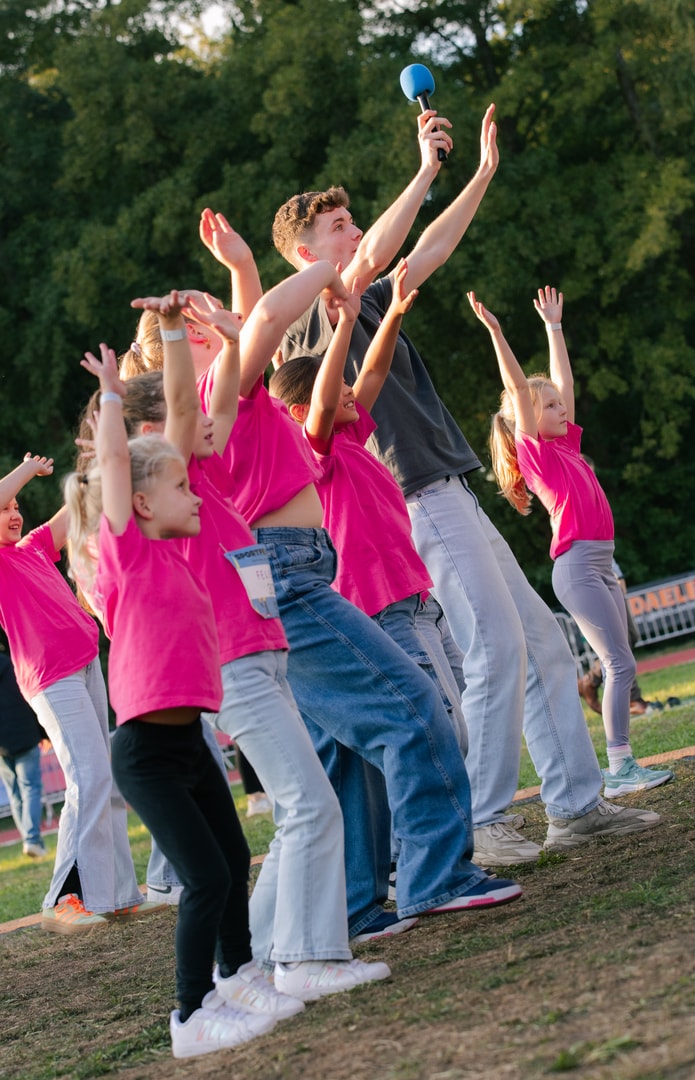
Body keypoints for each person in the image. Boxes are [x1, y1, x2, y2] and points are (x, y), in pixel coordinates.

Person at [274, 104, 661, 861]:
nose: (353, 230)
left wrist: (478, 174)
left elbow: (426, 245)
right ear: (302, 254)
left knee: (543, 639)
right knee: (492, 647)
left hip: (447, 484)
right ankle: (482, 818)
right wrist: (422, 168)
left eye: (354, 220)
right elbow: (372, 258)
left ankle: (576, 804)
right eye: (338, 224)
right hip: (414, 494)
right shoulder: (309, 322)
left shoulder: (369, 298)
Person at [191, 222, 523, 935]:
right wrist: (322, 276)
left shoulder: (250, 414)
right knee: (412, 708)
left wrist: (258, 279)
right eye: (196, 332)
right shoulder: (230, 401)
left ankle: (355, 904)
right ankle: (436, 877)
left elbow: (284, 337)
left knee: (342, 753)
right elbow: (271, 321)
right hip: (287, 572)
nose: (222, 327)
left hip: (291, 569)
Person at [122, 282, 391, 1000]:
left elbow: (211, 404)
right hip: (238, 663)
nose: (217, 417)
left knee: (312, 804)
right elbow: (186, 408)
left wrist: (232, 335)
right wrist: (177, 332)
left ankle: (288, 952)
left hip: (261, 653)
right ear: (152, 440)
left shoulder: (205, 472)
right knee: (308, 804)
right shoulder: (168, 481)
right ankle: (301, 959)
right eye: (183, 420)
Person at [65, 340, 279, 1059]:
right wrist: (117, 396)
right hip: (147, 753)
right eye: (181, 488)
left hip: (190, 742)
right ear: (144, 503)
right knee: (206, 877)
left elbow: (187, 414)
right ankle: (190, 1015)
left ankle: (243, 975)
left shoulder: (186, 551)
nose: (195, 494)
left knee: (233, 855)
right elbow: (120, 466)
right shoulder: (127, 549)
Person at [468, 285, 673, 800]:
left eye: (561, 405)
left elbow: (564, 381)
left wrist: (554, 329)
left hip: (599, 563)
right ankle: (621, 766)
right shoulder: (538, 453)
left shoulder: (567, 444)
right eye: (552, 406)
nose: (563, 408)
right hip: (578, 566)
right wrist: (497, 333)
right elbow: (518, 390)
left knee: (623, 660)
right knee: (618, 664)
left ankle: (622, 763)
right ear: (528, 420)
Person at [269, 258, 467, 754]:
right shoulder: (315, 450)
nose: (350, 387)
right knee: (438, 732)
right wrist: (346, 326)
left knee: (460, 722)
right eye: (339, 385)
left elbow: (374, 369)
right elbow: (319, 405)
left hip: (419, 599)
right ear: (302, 410)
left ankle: (474, 825)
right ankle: (455, 829)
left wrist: (394, 313)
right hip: (382, 608)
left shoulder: (352, 434)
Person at [0, 455, 151, 931]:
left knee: (103, 776)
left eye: (16, 507)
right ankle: (63, 897)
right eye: (4, 508)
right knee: (86, 777)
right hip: (51, 678)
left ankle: (117, 895)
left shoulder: (32, 548)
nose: (13, 513)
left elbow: (75, 505)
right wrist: (25, 471)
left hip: (85, 666)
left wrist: (102, 462)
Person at [577, 557, 666, 717]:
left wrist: (618, 575)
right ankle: (632, 699)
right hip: (591, 575)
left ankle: (590, 681)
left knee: (630, 636)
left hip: (609, 571)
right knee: (620, 642)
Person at [0, 630, 47, 858]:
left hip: (2, 746)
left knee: (15, 793)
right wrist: (43, 732)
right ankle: (32, 839)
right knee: (31, 788)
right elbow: (31, 699)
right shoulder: (13, 666)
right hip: (25, 736)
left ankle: (28, 838)